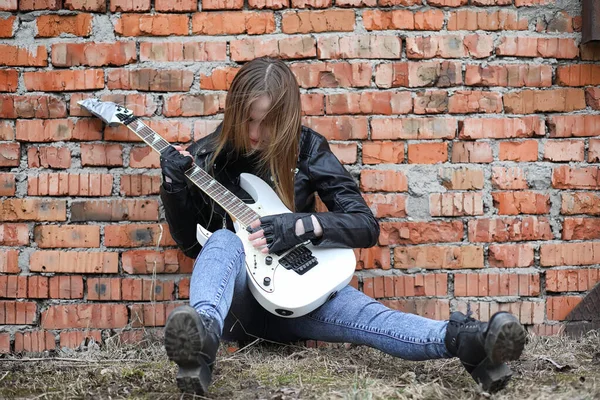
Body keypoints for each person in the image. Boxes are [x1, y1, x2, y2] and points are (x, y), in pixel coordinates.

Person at [159, 57, 526, 396]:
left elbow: (365, 226)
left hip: (298, 298)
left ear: (286, 119)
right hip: (240, 307)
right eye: (248, 120)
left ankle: (471, 343)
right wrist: (174, 187)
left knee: (376, 320)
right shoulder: (206, 156)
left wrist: (301, 226)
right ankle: (200, 346)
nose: (255, 134)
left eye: (267, 122)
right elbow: (194, 248)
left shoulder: (307, 149)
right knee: (223, 239)